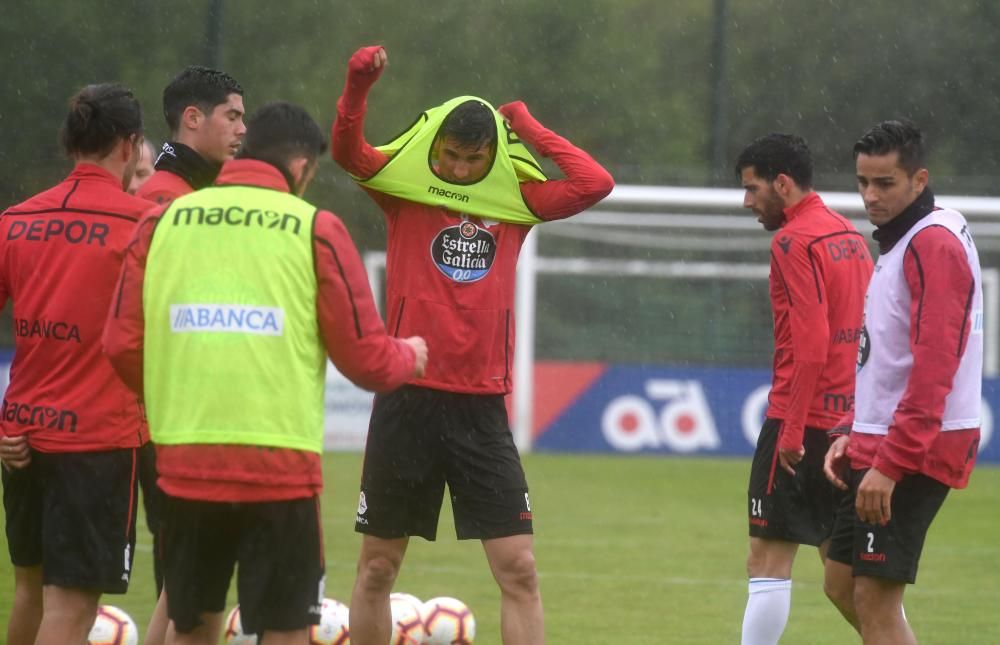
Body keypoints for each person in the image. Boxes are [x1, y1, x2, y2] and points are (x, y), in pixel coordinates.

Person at [104, 100, 426, 645]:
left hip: (187, 461)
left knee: (192, 625)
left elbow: (120, 344)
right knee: (284, 629)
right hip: (278, 470)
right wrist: (409, 355)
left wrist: (177, 392)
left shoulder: (162, 222)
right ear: (301, 168)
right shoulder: (314, 229)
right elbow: (367, 360)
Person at [331, 45, 614, 645]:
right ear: (434, 146)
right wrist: (358, 88)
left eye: (474, 159)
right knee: (378, 568)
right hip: (406, 397)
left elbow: (595, 183)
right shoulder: (401, 188)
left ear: (492, 155)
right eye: (451, 157)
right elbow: (347, 153)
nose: (460, 170)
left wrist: (526, 123)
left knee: (520, 571)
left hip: (481, 408)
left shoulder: (516, 202)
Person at [0, 83, 150, 645]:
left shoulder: (14, 221)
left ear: (72, 143)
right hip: (97, 444)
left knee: (31, 594)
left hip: (24, 443)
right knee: (71, 609)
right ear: (130, 145)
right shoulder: (144, 226)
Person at [823, 119, 982, 644]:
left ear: (919, 179)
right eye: (863, 182)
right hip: (883, 436)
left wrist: (891, 463)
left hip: (918, 445)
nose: (870, 195)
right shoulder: (907, 237)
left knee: (873, 596)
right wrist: (854, 427)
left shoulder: (932, 243)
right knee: (841, 582)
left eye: (885, 183)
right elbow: (885, 356)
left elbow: (937, 364)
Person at [735, 134, 873, 645]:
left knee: (767, 562)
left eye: (752, 189)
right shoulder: (850, 237)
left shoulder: (792, 242)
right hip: (848, 427)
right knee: (844, 582)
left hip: (802, 422)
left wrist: (791, 432)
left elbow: (812, 345)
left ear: (782, 183)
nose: (747, 201)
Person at [137, 65, 246, 204]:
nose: (243, 129)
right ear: (193, 118)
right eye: (232, 117)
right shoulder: (161, 196)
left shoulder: (217, 190)